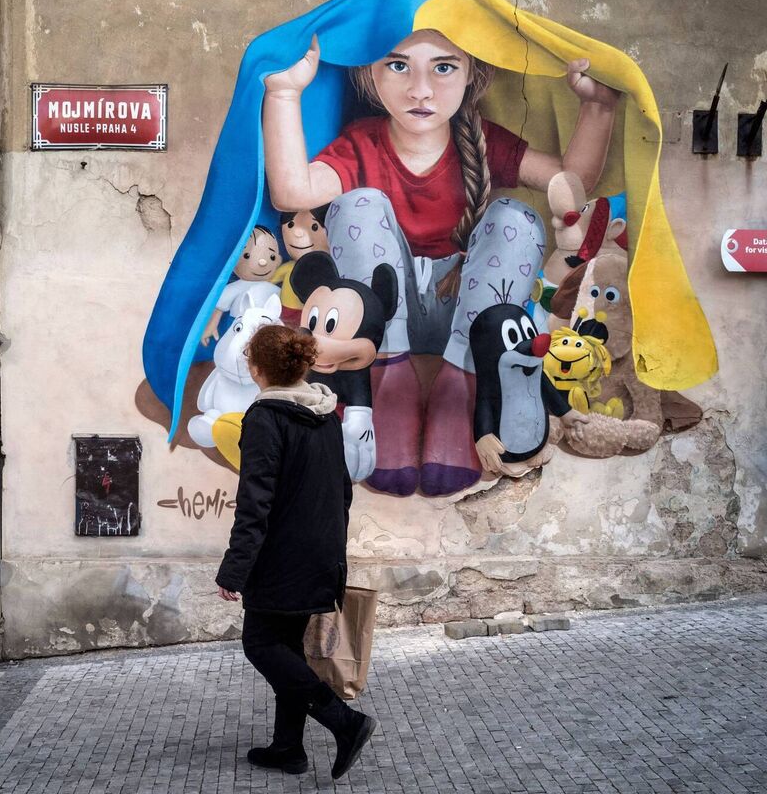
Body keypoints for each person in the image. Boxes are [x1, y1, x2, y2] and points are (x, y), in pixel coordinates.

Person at [262, 30, 619, 496]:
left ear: (474, 75)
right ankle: (392, 386)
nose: (420, 89)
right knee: (356, 206)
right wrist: (284, 92)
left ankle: (459, 386)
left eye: (444, 67)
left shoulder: (482, 141)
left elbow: (571, 183)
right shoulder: (363, 144)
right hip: (387, 322)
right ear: (370, 75)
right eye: (398, 65)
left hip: (468, 321)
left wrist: (599, 106)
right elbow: (293, 193)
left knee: (518, 218)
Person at [215, 325, 376, 779]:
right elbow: (342, 490)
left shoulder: (265, 418)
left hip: (281, 557)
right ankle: (288, 748)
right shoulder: (324, 413)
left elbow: (255, 502)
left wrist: (235, 570)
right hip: (320, 553)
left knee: (261, 644)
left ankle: (346, 723)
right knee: (286, 646)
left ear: (258, 368)